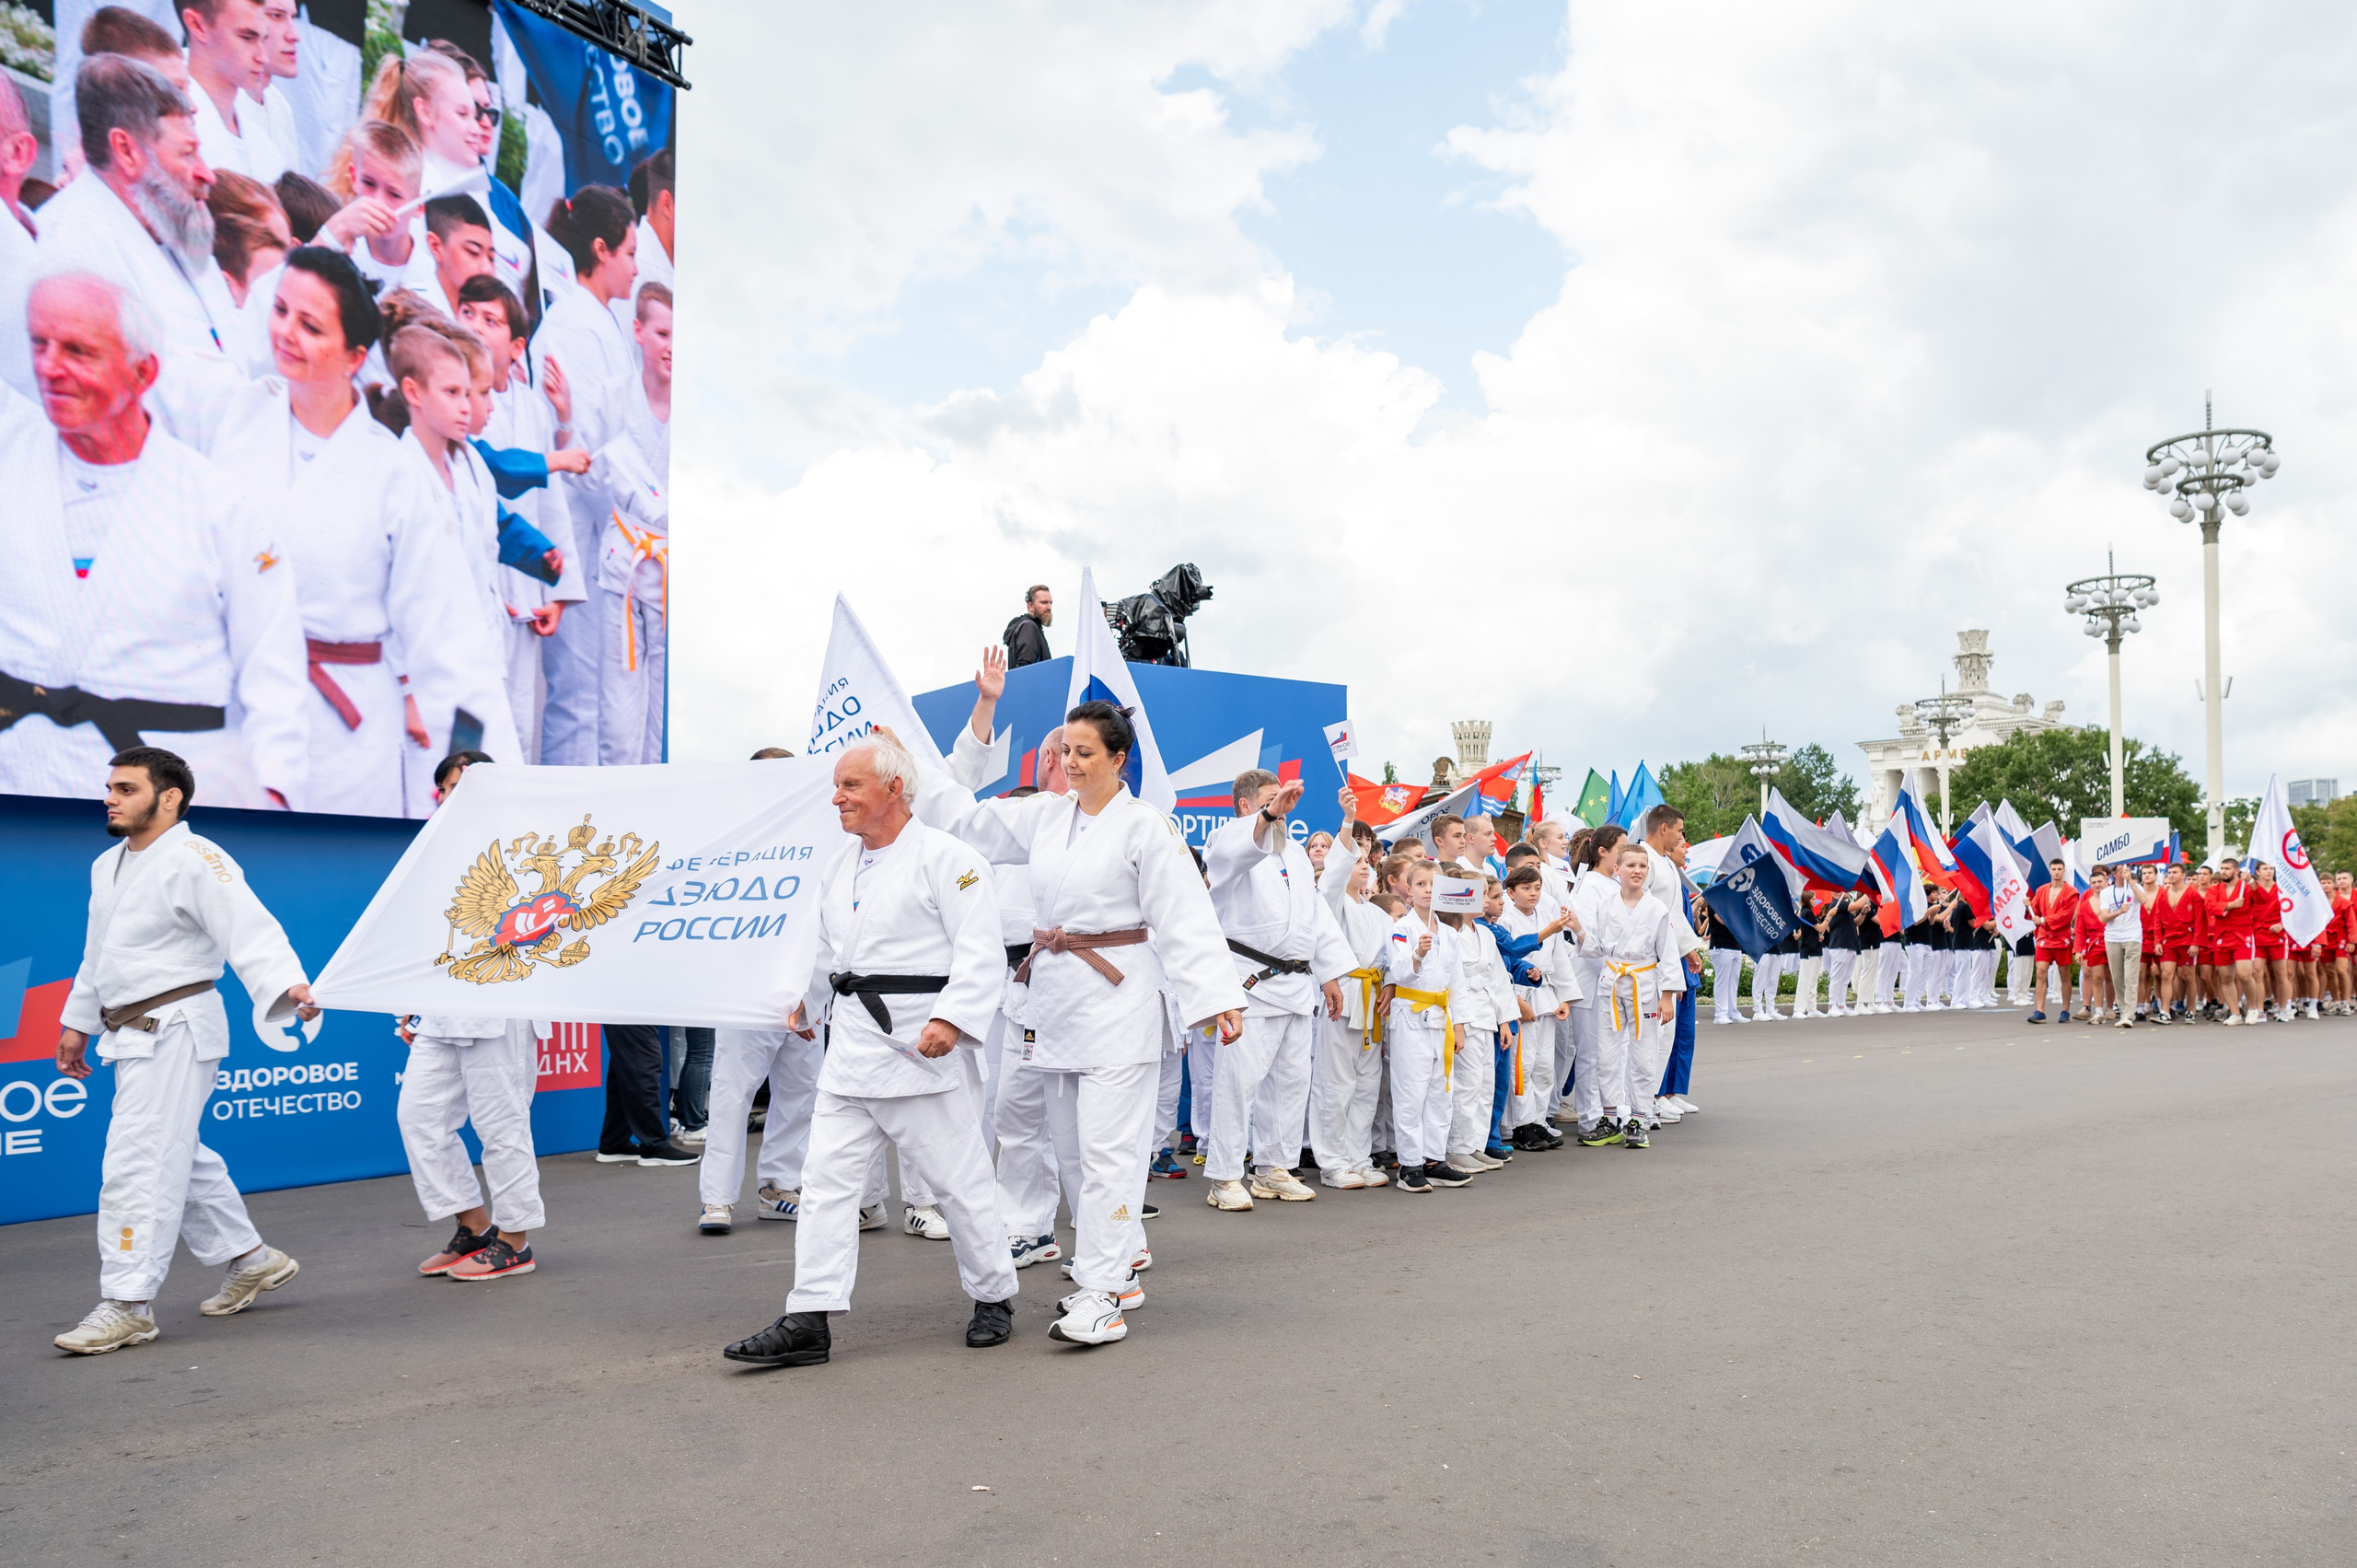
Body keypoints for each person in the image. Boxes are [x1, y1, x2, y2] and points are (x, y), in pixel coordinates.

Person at [914, 697, 1244, 1345]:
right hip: (1057, 1001)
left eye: (1085, 752)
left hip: (1120, 1002)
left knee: (1109, 1153)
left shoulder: (1146, 827)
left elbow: (1183, 915)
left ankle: (1101, 1292)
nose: (1070, 762)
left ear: (1119, 759)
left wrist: (1214, 995)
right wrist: (913, 765)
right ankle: (1116, 1274)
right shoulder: (1046, 816)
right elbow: (964, 817)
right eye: (1065, 751)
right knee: (1071, 1151)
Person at [720, 737, 1020, 1367]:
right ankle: (810, 1314)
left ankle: (994, 1294)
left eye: (850, 786)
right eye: (838, 785)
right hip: (853, 1048)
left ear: (893, 788)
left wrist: (953, 1018)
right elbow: (831, 953)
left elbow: (980, 951)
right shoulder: (840, 866)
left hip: (921, 1049)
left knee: (959, 1183)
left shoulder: (950, 859)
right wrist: (803, 1000)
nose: (838, 797)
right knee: (825, 1184)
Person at [0, 271, 309, 810]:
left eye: (77, 350)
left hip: (161, 805)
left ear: (142, 372)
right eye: (39, 344)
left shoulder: (217, 505)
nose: (49, 367)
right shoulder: (10, 458)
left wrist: (274, 800)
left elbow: (274, 676)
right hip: (20, 778)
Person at [50, 747, 319, 1353]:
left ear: (168, 796)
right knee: (174, 1149)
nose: (110, 797)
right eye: (110, 787)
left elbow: (249, 927)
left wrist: (286, 984)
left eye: (125, 788)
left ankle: (127, 1301)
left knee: (139, 1159)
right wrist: (78, 1022)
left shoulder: (199, 858)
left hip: (176, 1024)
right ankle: (252, 1257)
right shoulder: (107, 865)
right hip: (128, 1028)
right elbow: (99, 954)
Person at [36, 53, 259, 457]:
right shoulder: (73, 250)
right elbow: (157, 399)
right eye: (187, 154)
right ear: (126, 151)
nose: (207, 173)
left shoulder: (174, 221)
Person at [396, 750, 546, 1281]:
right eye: (443, 788)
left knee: (501, 1128)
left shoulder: (526, 852)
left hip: (501, 1010)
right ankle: (475, 1226)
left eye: (460, 786)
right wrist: (408, 1006)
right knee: (420, 1120)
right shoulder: (427, 853)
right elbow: (414, 936)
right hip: (439, 1013)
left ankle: (515, 1240)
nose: (447, 796)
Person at [1201, 769, 1351, 1212]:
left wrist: (1330, 974)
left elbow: (1316, 919)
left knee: (1290, 1083)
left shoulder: (1296, 857)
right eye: (1272, 800)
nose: (1284, 807)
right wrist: (1268, 815)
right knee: (1238, 1084)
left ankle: (1273, 1169)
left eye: (1285, 800)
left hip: (1298, 984)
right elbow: (1229, 854)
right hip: (1250, 983)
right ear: (1247, 806)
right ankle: (1225, 1176)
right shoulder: (1228, 843)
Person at [530, 185, 640, 767]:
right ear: (600, 250)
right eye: (629, 252)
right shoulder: (571, 329)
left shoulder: (597, 324)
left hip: (607, 534)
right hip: (578, 530)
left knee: (600, 697)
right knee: (577, 696)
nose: (637, 265)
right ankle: (561, 836)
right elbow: (579, 445)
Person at [698, 749, 826, 1234]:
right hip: (748, 994)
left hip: (803, 997)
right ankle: (716, 1199)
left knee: (799, 1094)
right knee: (732, 1094)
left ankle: (779, 1188)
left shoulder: (818, 842)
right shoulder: (735, 843)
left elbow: (824, 930)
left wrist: (811, 999)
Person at [1578, 841, 1687, 1150]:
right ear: (1617, 869)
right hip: (1612, 983)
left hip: (1644, 985)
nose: (1636, 871)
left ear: (1647, 871)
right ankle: (1610, 1118)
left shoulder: (1656, 909)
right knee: (1607, 1057)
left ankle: (1639, 1118)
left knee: (1643, 1055)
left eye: (1642, 866)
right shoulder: (1605, 906)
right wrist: (1579, 930)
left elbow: (1667, 953)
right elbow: (1597, 947)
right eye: (1630, 866)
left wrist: (1667, 996)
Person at [1309, 788, 1391, 1189]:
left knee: (1365, 1084)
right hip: (1342, 994)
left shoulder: (1377, 914)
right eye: (1354, 860)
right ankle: (1332, 1161)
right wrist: (1346, 821)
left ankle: (1359, 1157)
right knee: (1335, 1082)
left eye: (1366, 860)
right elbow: (1334, 877)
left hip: (1373, 1002)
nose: (1361, 865)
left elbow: (1393, 959)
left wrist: (1390, 986)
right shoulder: (1331, 902)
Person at [2094, 863, 2156, 1029]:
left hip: (2133, 936)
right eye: (2121, 871)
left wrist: (2132, 882)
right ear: (2113, 874)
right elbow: (2104, 918)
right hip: (2113, 937)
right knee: (2118, 977)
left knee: (2131, 977)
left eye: (2126, 870)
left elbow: (2144, 902)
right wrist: (2119, 912)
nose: (2124, 873)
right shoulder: (2107, 892)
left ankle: (2129, 1014)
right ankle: (2123, 1011)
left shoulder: (2136, 888)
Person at [1004, 584, 1053, 668]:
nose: (1049, 607)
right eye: (1044, 602)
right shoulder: (1028, 627)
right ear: (1031, 605)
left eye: (1050, 603)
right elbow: (1024, 668)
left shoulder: (1033, 627)